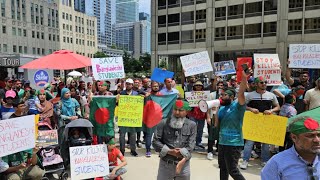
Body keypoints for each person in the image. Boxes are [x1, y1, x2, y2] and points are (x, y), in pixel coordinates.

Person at [241, 76, 280, 169]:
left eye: (265, 82)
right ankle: (245, 160)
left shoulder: (271, 95)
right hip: (253, 121)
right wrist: (251, 109)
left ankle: (265, 160)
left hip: (266, 122)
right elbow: (242, 106)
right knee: (249, 142)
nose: (264, 84)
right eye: (262, 82)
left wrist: (271, 111)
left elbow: (278, 107)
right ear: (257, 84)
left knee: (266, 142)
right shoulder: (250, 95)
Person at [216, 70, 248, 180]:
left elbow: (241, 92)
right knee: (223, 168)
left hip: (234, 143)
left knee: (232, 170)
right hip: (222, 142)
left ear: (232, 97)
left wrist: (244, 78)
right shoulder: (221, 108)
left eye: (225, 95)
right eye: (221, 94)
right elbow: (217, 125)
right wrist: (214, 111)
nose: (222, 97)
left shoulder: (238, 106)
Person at [152, 100, 196, 180]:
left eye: (181, 110)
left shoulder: (192, 125)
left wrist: (182, 154)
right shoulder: (163, 123)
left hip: (183, 165)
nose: (177, 112)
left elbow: (191, 145)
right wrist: (169, 151)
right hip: (165, 165)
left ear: (187, 111)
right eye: (175, 109)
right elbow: (155, 141)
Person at [118, 78, 139, 156]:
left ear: (132, 85)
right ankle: (122, 150)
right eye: (127, 84)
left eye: (129, 84)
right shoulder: (121, 94)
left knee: (133, 134)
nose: (128, 85)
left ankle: (133, 150)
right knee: (122, 135)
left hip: (132, 118)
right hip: (123, 117)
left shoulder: (136, 94)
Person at [187, 81, 209, 149]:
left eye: (200, 85)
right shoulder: (190, 94)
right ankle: (191, 143)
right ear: (194, 86)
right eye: (197, 85)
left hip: (202, 114)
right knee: (192, 128)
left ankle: (198, 142)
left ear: (202, 86)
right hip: (192, 114)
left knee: (200, 129)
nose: (198, 86)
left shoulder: (205, 94)